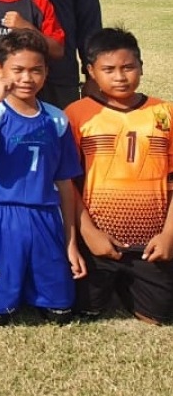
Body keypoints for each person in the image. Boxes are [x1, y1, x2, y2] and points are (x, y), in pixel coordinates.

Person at [0, 30, 84, 325]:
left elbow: (65, 182)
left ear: (46, 73)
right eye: (18, 70)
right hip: (1, 215)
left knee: (59, 313)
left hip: (45, 216)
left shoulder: (56, 118)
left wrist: (71, 241)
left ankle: (38, 289)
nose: (27, 78)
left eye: (35, 70)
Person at [66, 28, 173, 324]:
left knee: (159, 317)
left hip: (151, 244)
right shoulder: (77, 114)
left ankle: (133, 286)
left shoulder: (164, 112)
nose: (120, 77)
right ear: (91, 72)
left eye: (128, 67)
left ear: (141, 66)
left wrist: (168, 235)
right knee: (83, 311)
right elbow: (66, 181)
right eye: (108, 69)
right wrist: (89, 233)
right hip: (99, 241)